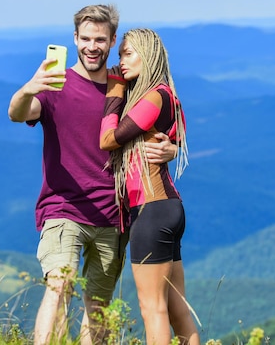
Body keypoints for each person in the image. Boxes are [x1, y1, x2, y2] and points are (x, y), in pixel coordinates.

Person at [8, 5, 176, 345]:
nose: (91, 46)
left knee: (98, 307)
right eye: (85, 38)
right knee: (60, 285)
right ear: (74, 39)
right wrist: (28, 89)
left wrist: (170, 149)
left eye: (100, 39)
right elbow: (17, 114)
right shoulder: (54, 85)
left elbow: (161, 121)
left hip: (114, 214)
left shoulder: (124, 87)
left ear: (113, 41)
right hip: (63, 207)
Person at [99, 28, 200, 345]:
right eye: (120, 55)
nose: (121, 62)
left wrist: (114, 94)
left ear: (148, 54)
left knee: (151, 308)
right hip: (170, 209)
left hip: (151, 212)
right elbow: (177, 140)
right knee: (176, 307)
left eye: (128, 53)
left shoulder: (153, 96)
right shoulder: (169, 95)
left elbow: (108, 140)